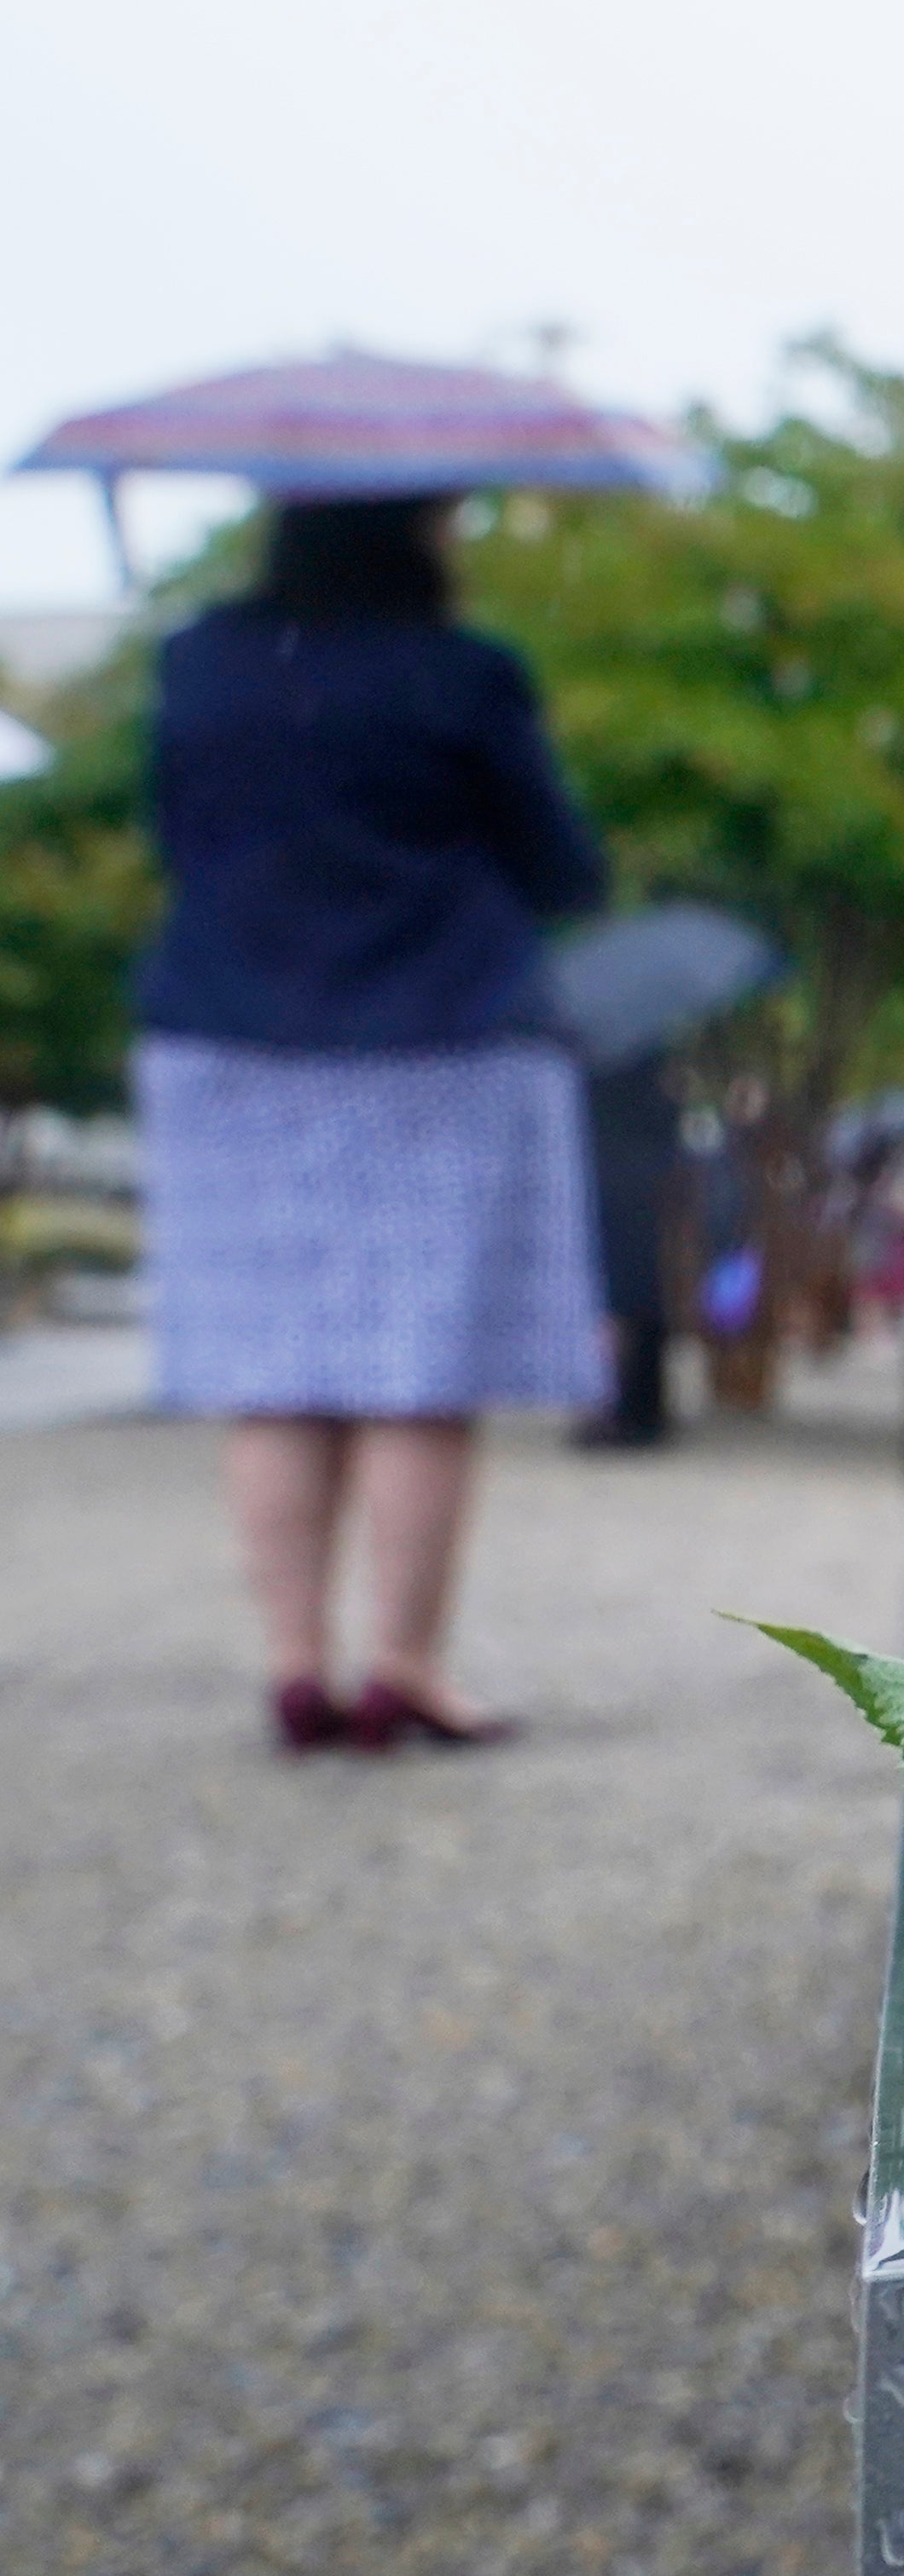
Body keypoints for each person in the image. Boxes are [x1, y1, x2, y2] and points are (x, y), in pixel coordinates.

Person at [133, 494, 609, 1751]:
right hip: (441, 1032)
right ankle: (401, 1665)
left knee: (273, 1373)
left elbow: (174, 835)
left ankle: (297, 1663)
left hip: (229, 1034)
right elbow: (560, 865)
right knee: (419, 1375)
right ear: (412, 530)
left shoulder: (199, 663)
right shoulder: (461, 674)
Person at [577, 1044, 681, 1450]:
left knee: (613, 1305)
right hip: (640, 1194)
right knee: (638, 1303)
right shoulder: (648, 1062)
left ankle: (611, 1408)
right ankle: (638, 1410)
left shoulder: (589, 1062)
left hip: (604, 1191)